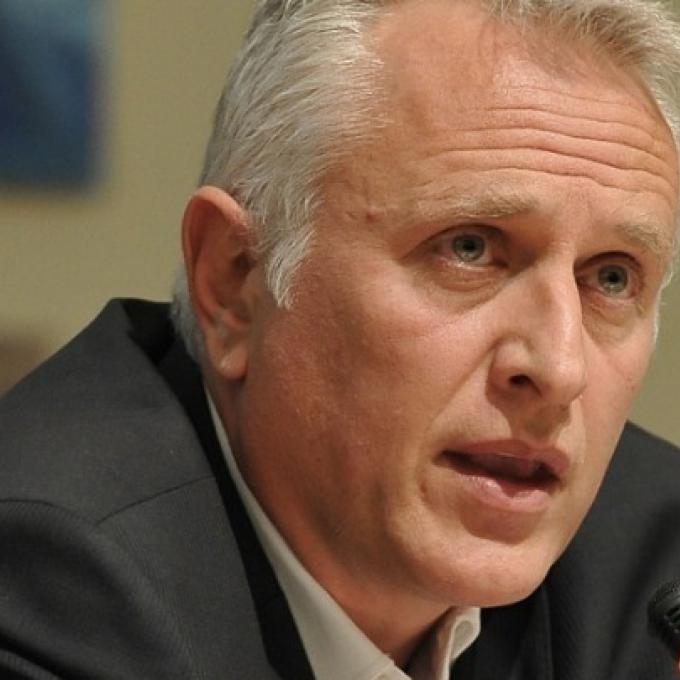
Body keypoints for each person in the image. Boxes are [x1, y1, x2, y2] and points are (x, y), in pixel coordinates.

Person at [2, 0, 680, 677]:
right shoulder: (46, 581)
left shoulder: (654, 568)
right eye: (469, 248)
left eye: (612, 277)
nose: (559, 368)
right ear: (236, 281)